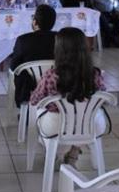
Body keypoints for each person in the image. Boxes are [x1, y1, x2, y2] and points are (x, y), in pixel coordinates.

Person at [29, 27, 107, 168]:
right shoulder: (95, 74)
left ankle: (52, 153)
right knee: (87, 120)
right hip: (91, 125)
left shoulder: (51, 75)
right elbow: (103, 99)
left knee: (37, 112)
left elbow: (35, 99)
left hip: (57, 126)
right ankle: (73, 153)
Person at [10, 5, 57, 107]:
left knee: (20, 74)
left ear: (35, 22)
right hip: (55, 83)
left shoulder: (23, 40)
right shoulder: (61, 38)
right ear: (53, 23)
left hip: (30, 86)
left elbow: (13, 66)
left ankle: (26, 109)